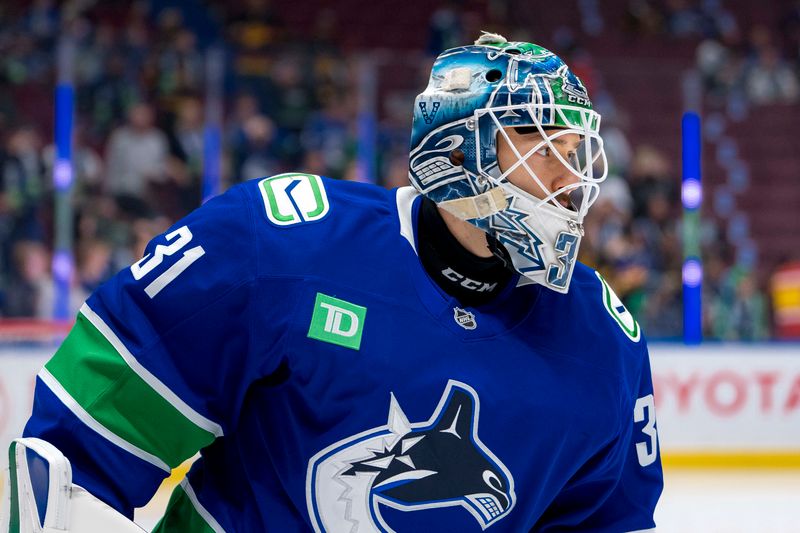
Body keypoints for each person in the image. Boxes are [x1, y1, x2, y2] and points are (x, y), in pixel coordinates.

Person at [9, 33, 663, 532]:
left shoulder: (604, 345)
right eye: (538, 145)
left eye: (573, 152)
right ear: (458, 151)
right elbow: (76, 457)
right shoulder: (279, 241)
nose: (568, 179)